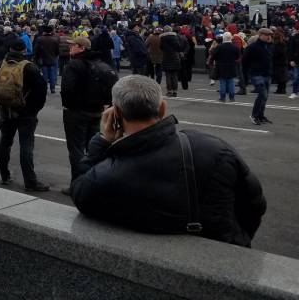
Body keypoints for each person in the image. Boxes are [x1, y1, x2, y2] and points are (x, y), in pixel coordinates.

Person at [72, 76, 266, 247]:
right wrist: (238, 240)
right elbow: (254, 203)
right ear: (162, 108)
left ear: (116, 114)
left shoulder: (106, 174)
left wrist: (102, 141)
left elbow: (80, 191)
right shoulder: (214, 148)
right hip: (224, 253)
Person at [59, 37, 118, 194]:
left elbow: (67, 89)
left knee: (76, 150)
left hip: (76, 112)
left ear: (82, 48)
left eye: (73, 46)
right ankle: (94, 182)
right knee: (93, 149)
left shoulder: (74, 65)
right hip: (96, 111)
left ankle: (77, 186)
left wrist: (69, 104)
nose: (70, 48)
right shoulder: (100, 63)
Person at [0, 39, 50, 192]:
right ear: (25, 50)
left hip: (6, 111)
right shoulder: (30, 67)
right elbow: (41, 92)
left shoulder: (1, 65)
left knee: (5, 142)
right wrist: (33, 110)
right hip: (26, 114)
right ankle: (30, 181)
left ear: (10, 48)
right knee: (26, 146)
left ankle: (4, 176)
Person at [243, 28, 274, 125]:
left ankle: (260, 115)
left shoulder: (269, 46)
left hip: (266, 74)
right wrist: (246, 76)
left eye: (270, 35)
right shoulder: (253, 47)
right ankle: (254, 115)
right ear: (260, 35)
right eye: (266, 35)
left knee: (265, 97)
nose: (269, 37)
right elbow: (244, 61)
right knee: (262, 94)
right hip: (256, 74)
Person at [212, 32, 241, 102]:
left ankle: (222, 97)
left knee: (223, 82)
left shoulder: (219, 47)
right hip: (232, 66)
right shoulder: (235, 47)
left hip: (222, 66)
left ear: (223, 38)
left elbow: (214, 55)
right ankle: (232, 97)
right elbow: (238, 56)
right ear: (231, 38)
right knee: (231, 82)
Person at [159, 26, 185, 98]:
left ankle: (169, 91)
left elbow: (161, 47)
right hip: (174, 57)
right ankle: (175, 91)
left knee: (168, 75)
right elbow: (178, 47)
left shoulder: (162, 38)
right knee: (174, 75)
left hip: (166, 57)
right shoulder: (174, 37)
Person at [33, 25, 59, 94]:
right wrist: (54, 56)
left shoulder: (40, 39)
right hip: (52, 58)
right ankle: (52, 88)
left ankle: (44, 88)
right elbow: (57, 51)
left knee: (45, 74)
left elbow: (36, 50)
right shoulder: (55, 39)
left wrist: (37, 57)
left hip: (43, 59)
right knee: (52, 74)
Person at [271, 28, 288, 95]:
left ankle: (281, 89)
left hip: (279, 62)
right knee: (282, 76)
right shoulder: (283, 42)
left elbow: (278, 53)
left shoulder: (279, 44)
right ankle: (280, 89)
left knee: (280, 76)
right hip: (282, 61)